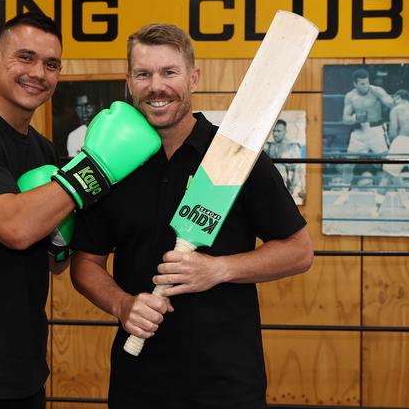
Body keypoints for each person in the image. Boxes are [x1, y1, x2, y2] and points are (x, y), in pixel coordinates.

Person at [0, 12, 160, 409]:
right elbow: (16, 228)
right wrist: (94, 170)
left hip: (22, 369)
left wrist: (59, 240)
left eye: (51, 64)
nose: (38, 73)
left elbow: (53, 261)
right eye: (25, 57)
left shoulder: (41, 149)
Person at [69, 23, 313, 409]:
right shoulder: (108, 164)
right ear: (130, 82)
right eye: (144, 74)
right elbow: (85, 263)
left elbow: (299, 251)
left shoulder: (236, 156)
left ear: (193, 77)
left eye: (170, 72)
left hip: (225, 383)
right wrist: (122, 305)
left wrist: (218, 270)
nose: (156, 86)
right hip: (138, 381)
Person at [333, 68, 394, 206]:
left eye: (367, 83)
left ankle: (403, 196)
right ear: (355, 84)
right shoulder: (350, 97)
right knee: (348, 164)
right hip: (359, 132)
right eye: (362, 84)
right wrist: (355, 118)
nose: (365, 86)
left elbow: (389, 102)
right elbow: (345, 119)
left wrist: (390, 101)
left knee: (391, 164)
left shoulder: (376, 91)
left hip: (377, 130)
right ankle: (344, 195)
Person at [264, 119, 304, 203]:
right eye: (274, 131)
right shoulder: (269, 146)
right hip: (268, 187)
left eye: (279, 131)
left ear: (285, 131)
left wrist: (291, 189)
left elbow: (297, 169)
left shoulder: (292, 147)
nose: (275, 134)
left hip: (285, 187)